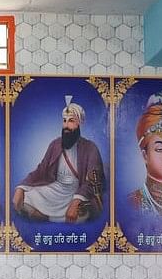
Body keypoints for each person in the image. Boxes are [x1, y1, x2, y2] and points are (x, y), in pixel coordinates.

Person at [12, 95, 104, 223]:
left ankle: (46, 216)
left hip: (77, 192)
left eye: (71, 121)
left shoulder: (90, 148)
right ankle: (49, 215)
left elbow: (92, 182)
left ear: (79, 123)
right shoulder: (55, 144)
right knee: (27, 196)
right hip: (56, 190)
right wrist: (21, 187)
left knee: (82, 213)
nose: (66, 125)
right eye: (64, 120)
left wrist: (76, 200)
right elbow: (41, 170)